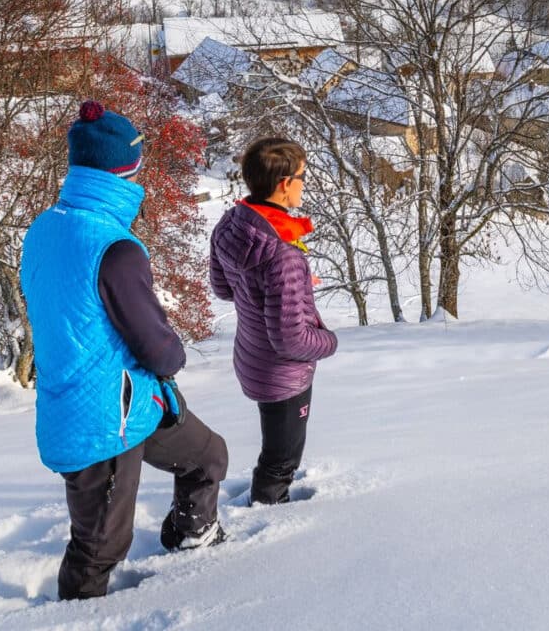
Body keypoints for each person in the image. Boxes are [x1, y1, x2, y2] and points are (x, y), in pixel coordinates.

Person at [20, 101, 229, 601]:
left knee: (206, 457)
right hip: (102, 421)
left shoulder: (44, 229)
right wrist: (174, 356)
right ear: (126, 171)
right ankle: (74, 613)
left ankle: (191, 536)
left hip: (123, 403)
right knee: (100, 545)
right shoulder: (114, 248)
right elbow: (157, 348)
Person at [209, 137, 337, 506]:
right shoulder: (283, 254)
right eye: (302, 176)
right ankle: (268, 517)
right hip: (283, 372)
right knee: (281, 459)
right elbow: (291, 339)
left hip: (252, 355)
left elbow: (223, 287)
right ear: (284, 184)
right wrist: (329, 341)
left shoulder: (233, 225)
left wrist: (267, 290)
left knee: (278, 446)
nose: (303, 184)